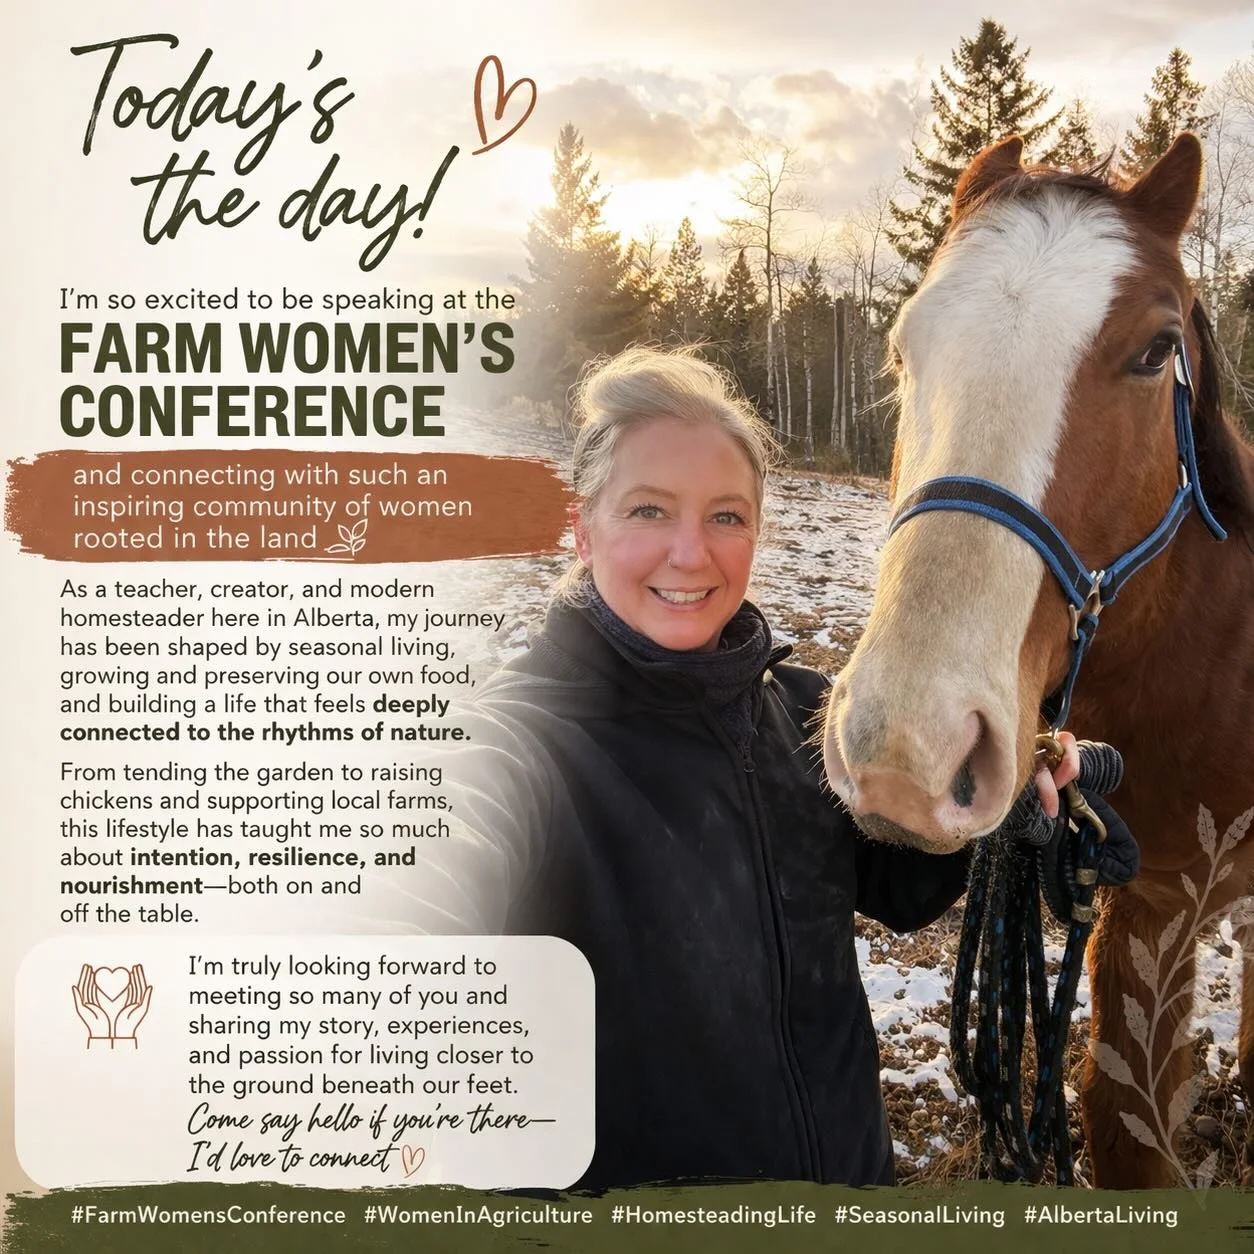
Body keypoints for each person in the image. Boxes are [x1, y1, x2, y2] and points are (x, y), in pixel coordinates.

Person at [429, 345, 1086, 1190]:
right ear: (582, 529)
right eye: (649, 511)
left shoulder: (799, 709)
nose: (691, 554)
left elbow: (898, 884)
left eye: (727, 517)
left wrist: (988, 800)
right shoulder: (520, 746)